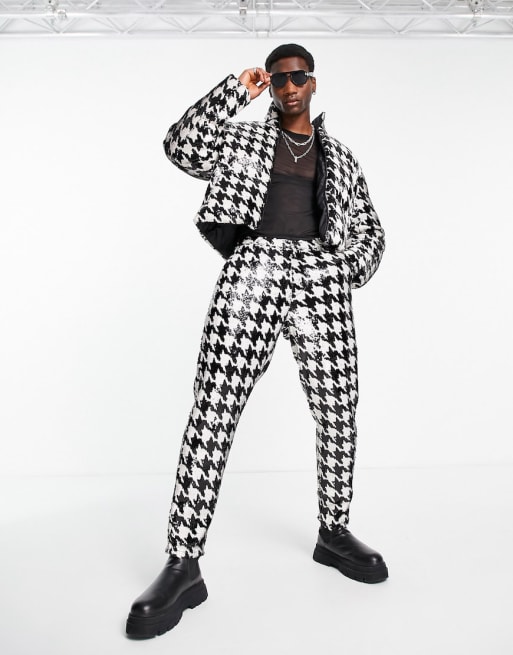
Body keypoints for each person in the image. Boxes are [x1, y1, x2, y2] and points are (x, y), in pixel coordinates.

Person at [126, 43, 387, 640]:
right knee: (213, 410)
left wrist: (341, 270)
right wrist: (235, 91)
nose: (289, 86)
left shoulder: (342, 159)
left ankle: (334, 531)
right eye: (278, 78)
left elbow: (370, 229)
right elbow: (181, 146)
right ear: (271, 84)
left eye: (298, 76)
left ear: (314, 83)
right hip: (255, 268)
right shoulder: (243, 140)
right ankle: (182, 563)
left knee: (338, 408)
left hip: (320, 275)